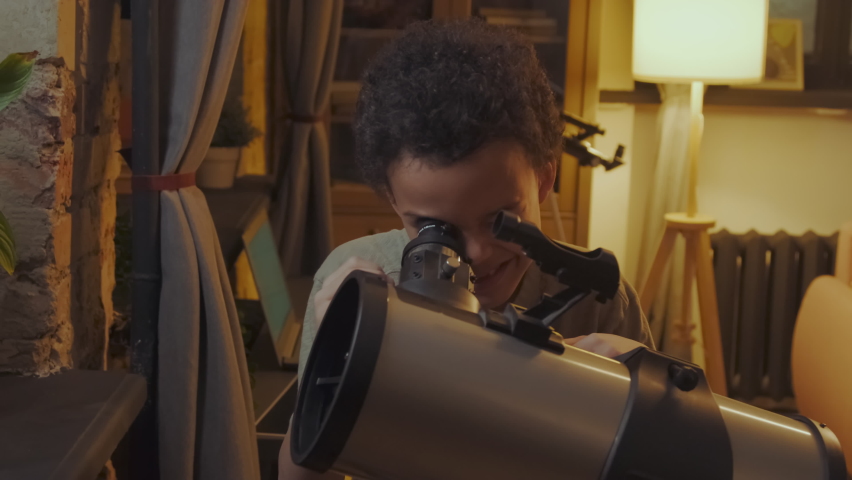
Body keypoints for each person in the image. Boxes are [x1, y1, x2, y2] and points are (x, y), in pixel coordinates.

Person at [280, 18, 653, 479]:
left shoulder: (597, 301)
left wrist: (634, 400)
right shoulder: (354, 287)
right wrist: (336, 366)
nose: (475, 254)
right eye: (435, 227)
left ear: (543, 179)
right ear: (393, 200)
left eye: (501, 220)